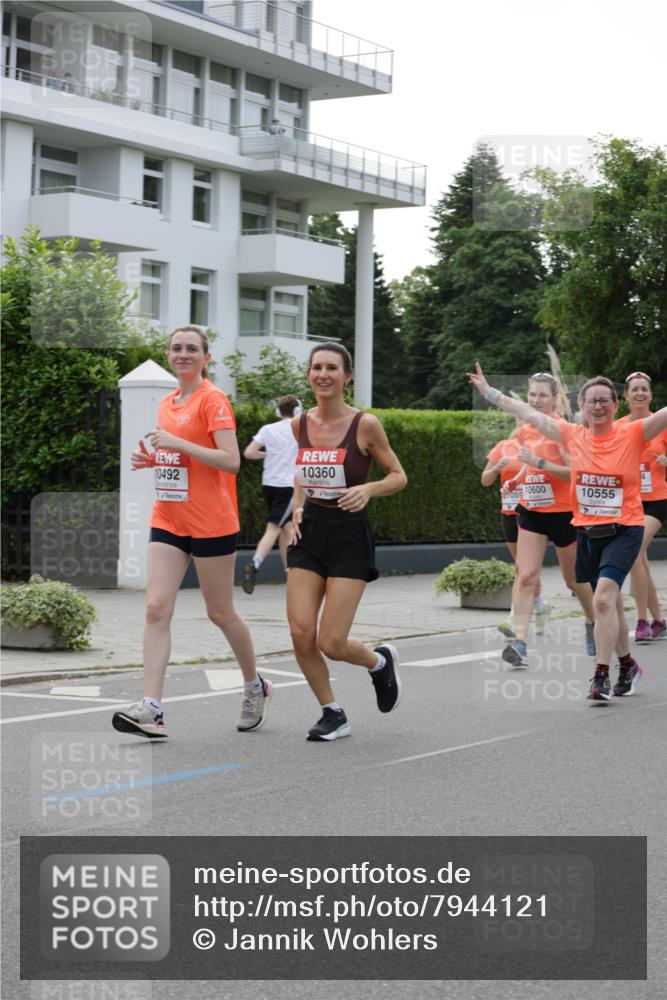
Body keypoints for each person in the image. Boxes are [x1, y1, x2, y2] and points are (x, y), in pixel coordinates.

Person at [468, 362, 667, 702]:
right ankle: (626, 663)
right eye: (592, 401)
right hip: (588, 531)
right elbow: (525, 412)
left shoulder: (633, 432)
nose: (598, 406)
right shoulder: (571, 435)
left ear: (615, 405)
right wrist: (488, 392)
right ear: (582, 407)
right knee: (610, 603)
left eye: (604, 400)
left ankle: (601, 676)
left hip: (625, 529)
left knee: (603, 599)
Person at [112, 325, 271, 739]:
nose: (183, 354)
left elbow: (231, 461)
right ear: (168, 354)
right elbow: (184, 457)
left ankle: (255, 686)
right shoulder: (168, 402)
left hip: (211, 521)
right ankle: (151, 708)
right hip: (169, 517)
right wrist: (156, 460)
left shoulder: (212, 400)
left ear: (206, 357)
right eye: (176, 348)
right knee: (155, 608)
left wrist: (178, 445)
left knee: (220, 613)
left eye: (191, 349)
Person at [286, 343, 408, 741]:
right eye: (317, 368)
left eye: (332, 368)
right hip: (309, 532)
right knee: (301, 633)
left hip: (349, 534)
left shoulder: (365, 425)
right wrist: (298, 507)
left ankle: (379, 662)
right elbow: (302, 470)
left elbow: (398, 475)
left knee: (332, 642)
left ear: (347, 376)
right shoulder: (299, 423)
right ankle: (332, 712)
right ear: (309, 374)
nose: (323, 374)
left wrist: (369, 489)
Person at [482, 372, 595, 667]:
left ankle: (593, 621)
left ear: (555, 399)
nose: (536, 400)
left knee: (574, 580)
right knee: (526, 575)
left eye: (543, 395)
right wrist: (516, 480)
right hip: (531, 511)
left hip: (564, 513)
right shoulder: (525, 430)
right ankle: (519, 642)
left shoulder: (563, 431)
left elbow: (574, 473)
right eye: (532, 395)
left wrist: (540, 463)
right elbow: (526, 464)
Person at [481, 431, 548, 637]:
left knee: (522, 568)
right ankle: (539, 606)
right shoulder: (504, 446)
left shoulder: (542, 444)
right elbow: (485, 480)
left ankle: (513, 618)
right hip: (509, 512)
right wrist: (495, 469)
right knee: (523, 568)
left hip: (531, 513)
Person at [618, 371, 667, 642]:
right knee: (641, 560)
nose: (639, 393)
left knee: (634, 552)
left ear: (650, 395)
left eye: (644, 389)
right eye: (634, 389)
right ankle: (658, 619)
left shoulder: (662, 422)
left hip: (656, 501)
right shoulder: (618, 427)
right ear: (626, 396)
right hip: (628, 502)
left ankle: (641, 621)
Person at [241, 394, 301, 594]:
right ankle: (255, 563)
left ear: (278, 411)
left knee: (287, 528)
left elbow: (249, 453)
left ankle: (290, 575)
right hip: (288, 486)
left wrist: (268, 454)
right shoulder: (299, 429)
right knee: (274, 527)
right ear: (297, 411)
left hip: (269, 485)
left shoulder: (267, 429)